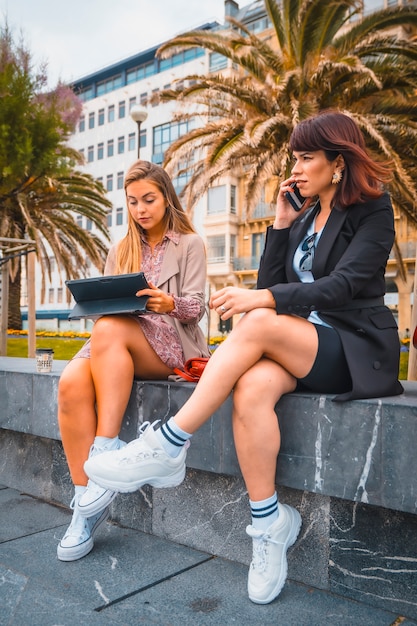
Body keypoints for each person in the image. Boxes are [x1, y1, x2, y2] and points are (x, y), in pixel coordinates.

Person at [84, 111, 403, 604]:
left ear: (337, 163)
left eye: (306, 157)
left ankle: (171, 442)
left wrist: (264, 301)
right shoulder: (302, 217)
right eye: (294, 157)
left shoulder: (372, 210)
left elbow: (345, 287)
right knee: (251, 390)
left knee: (255, 319)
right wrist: (279, 225)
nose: (295, 168)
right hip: (299, 344)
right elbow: (268, 284)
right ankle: (268, 524)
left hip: (351, 346)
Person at [57, 160, 209, 562]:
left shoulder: (189, 243)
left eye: (149, 199)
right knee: (70, 383)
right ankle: (85, 506)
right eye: (133, 202)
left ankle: (104, 452)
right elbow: (110, 309)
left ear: (166, 198)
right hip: (118, 338)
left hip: (169, 343)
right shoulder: (120, 249)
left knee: (107, 330)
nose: (141, 209)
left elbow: (197, 307)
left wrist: (169, 302)